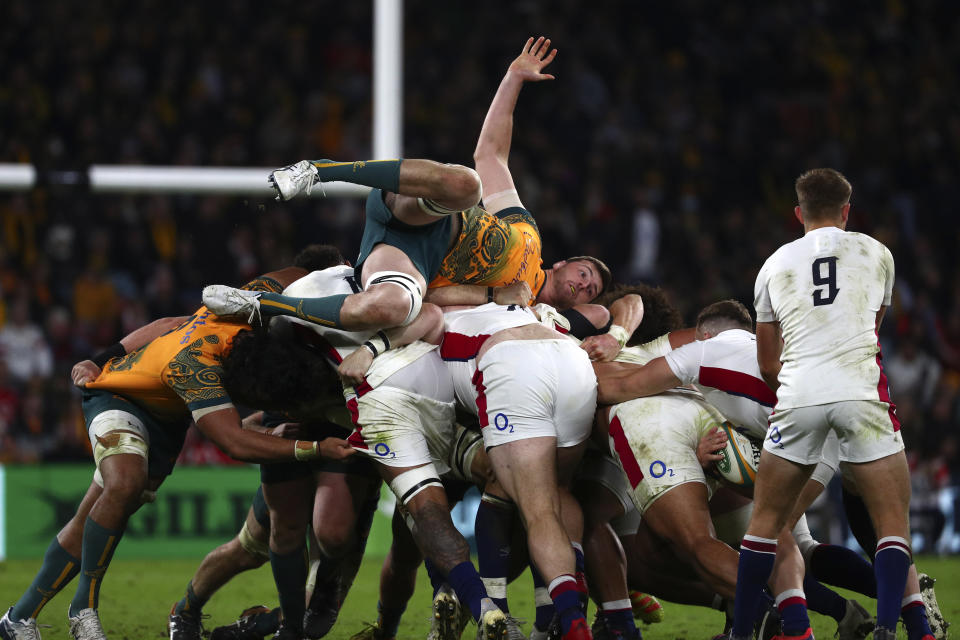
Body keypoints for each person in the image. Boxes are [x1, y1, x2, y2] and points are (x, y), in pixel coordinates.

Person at [0, 269, 355, 640]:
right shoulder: (196, 369)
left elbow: (295, 272)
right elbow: (233, 442)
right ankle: (83, 610)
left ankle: (19, 618)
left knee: (91, 515)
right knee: (125, 483)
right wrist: (314, 448)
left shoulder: (243, 311)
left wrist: (343, 275)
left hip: (166, 423)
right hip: (120, 395)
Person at [202, 38, 616, 346]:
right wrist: (513, 79)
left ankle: (259, 304)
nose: (584, 286)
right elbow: (491, 155)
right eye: (585, 274)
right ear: (563, 263)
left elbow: (434, 300)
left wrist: (496, 296)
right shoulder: (527, 233)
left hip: (413, 258)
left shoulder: (524, 314)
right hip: (431, 214)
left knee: (393, 307)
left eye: (591, 288)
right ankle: (321, 171)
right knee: (468, 184)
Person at [731, 168, 911, 640]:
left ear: (798, 213)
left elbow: (768, 361)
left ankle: (741, 633)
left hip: (798, 394)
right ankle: (889, 630)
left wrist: (799, 393)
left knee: (764, 526)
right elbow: (871, 329)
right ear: (847, 211)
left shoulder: (772, 264)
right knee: (891, 524)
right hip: (860, 393)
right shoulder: (878, 253)